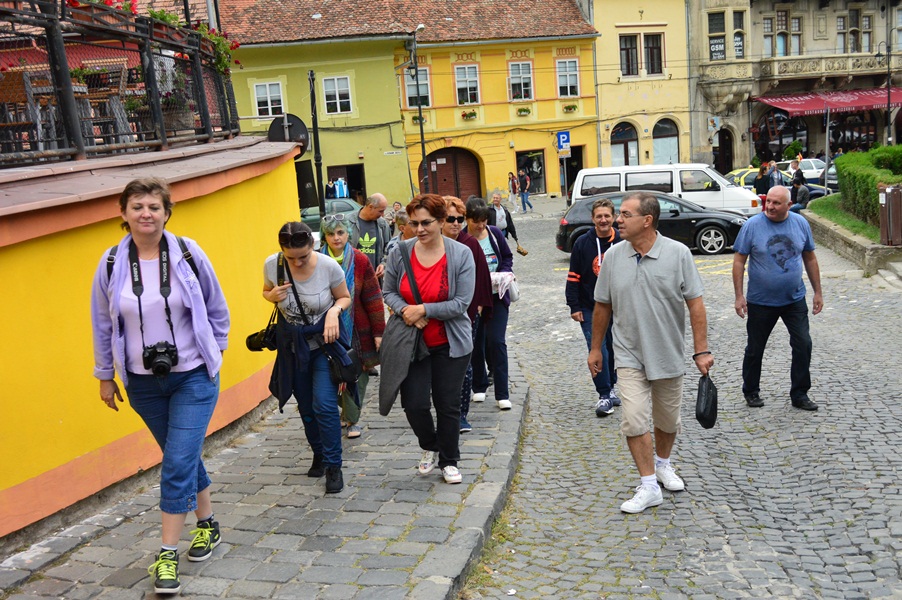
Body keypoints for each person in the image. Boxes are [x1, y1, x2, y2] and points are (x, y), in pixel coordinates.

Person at [91, 177, 230, 595]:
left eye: (154, 206)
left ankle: (167, 553)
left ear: (167, 212)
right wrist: (104, 375)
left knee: (175, 462)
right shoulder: (112, 262)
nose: (146, 214)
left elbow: (216, 307)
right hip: (142, 381)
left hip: (192, 376)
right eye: (137, 207)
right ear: (123, 213)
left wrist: (213, 353)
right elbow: (101, 322)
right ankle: (208, 525)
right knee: (181, 456)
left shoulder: (187, 253)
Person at [588, 191, 713, 514]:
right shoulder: (614, 256)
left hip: (667, 353)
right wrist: (595, 348)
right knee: (633, 419)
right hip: (628, 355)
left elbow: (695, 304)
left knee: (667, 420)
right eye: (619, 214)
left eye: (625, 214)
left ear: (647, 220)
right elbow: (602, 305)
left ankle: (663, 464)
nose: (618, 219)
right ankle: (648, 485)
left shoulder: (678, 254)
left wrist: (701, 350)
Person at [382, 194, 475, 484]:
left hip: (451, 343)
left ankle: (449, 460)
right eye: (414, 223)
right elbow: (388, 292)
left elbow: (461, 302)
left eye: (426, 223)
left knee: (447, 404)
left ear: (441, 220)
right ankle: (430, 445)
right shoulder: (400, 252)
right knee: (415, 403)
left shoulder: (460, 254)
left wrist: (424, 309)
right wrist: (406, 311)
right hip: (412, 343)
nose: (419, 229)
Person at [263, 222, 353, 494]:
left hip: (323, 347)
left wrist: (334, 312)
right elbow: (266, 291)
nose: (298, 262)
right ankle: (319, 453)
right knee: (307, 410)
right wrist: (271, 296)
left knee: (324, 406)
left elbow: (344, 298)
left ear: (312, 245)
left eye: (303, 255)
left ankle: (334, 466)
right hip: (293, 349)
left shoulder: (327, 266)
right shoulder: (273, 265)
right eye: (292, 258)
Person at [732, 185, 823, 411]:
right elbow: (738, 261)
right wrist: (739, 296)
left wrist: (818, 292)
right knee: (755, 348)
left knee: (803, 344)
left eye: (776, 203)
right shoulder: (752, 226)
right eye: (768, 201)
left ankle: (800, 393)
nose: (770, 206)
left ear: (788, 205)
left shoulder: (800, 223)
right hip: (761, 301)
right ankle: (751, 391)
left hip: (794, 299)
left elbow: (810, 258)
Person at [319, 214, 385, 439]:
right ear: (324, 236)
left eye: (340, 233)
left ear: (348, 234)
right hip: (326, 331)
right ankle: (343, 410)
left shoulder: (359, 260)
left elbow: (373, 297)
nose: (336, 238)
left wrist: (379, 332)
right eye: (330, 233)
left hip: (358, 329)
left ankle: (352, 419)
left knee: (357, 373)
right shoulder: (317, 260)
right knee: (330, 373)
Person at [566, 198, 621, 417]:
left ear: (613, 217)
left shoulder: (623, 241)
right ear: (592, 219)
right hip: (591, 307)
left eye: (607, 215)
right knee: (598, 348)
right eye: (599, 216)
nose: (603, 220)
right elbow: (573, 276)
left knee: (615, 348)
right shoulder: (582, 243)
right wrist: (574, 306)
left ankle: (612, 386)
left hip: (619, 307)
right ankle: (604, 394)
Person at [442, 196, 493, 433]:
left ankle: (461, 414)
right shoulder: (432, 245)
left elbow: (482, 277)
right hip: (436, 315)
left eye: (459, 219)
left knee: (463, 363)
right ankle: (445, 407)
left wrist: (479, 308)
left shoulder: (469, 244)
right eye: (449, 219)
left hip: (466, 314)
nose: (455, 223)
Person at [466, 197, 515, 410]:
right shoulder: (463, 239)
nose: (480, 225)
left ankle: (502, 393)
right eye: (476, 221)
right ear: (467, 219)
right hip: (473, 299)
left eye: (484, 220)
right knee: (476, 342)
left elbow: (507, 256)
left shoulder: (494, 234)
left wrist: (503, 273)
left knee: (497, 341)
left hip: (497, 296)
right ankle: (479, 386)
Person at [347, 193, 391, 279]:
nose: (383, 215)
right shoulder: (348, 222)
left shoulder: (382, 224)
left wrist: (383, 264)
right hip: (353, 277)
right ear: (370, 207)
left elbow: (389, 248)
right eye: (381, 211)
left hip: (375, 279)